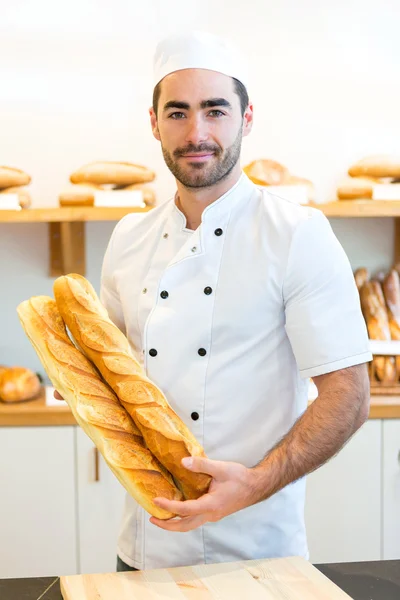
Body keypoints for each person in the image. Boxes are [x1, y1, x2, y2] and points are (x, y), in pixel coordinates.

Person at [56, 30, 372, 572]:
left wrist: (254, 484)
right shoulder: (128, 238)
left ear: (246, 119)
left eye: (215, 110)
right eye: (177, 113)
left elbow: (349, 394)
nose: (196, 132)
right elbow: (110, 382)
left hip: (258, 550)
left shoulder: (297, 234)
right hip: (145, 548)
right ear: (153, 123)